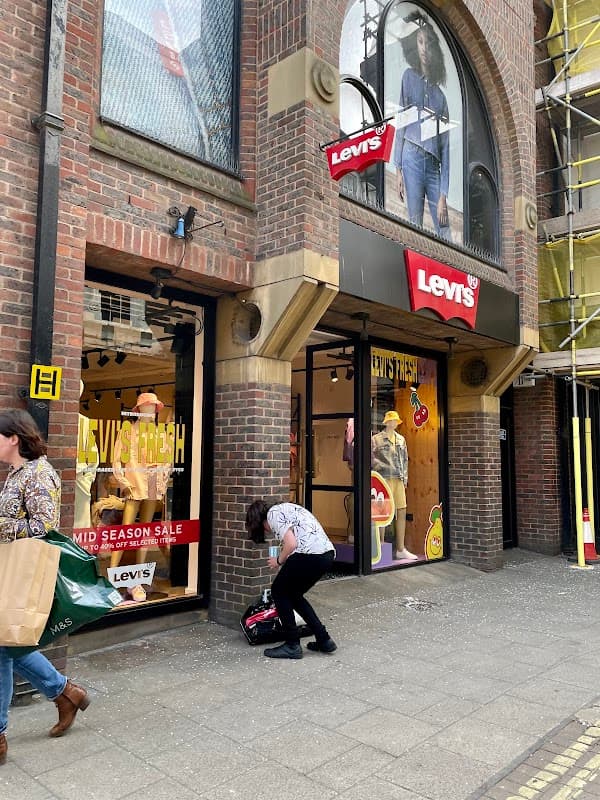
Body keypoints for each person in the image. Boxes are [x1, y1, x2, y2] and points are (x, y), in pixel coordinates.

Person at [0, 409, 90, 765]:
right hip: (10, 572)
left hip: (24, 574)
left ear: (13, 439)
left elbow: (44, 526)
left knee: (4, 647)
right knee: (9, 645)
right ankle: (66, 693)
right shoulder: (16, 473)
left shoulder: (39, 474)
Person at [245, 500, 337, 659]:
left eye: (263, 529)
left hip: (310, 554)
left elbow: (291, 544)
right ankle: (324, 639)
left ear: (260, 521)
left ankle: (292, 644)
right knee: (294, 595)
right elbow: (297, 541)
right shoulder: (287, 508)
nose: (267, 531)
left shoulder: (272, 514)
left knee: (278, 591)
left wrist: (278, 561)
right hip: (326, 555)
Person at [393, 13, 450, 237]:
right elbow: (400, 124)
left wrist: (444, 193)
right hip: (411, 158)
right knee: (414, 224)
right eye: (420, 42)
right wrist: (398, 168)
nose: (424, 48)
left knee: (444, 229)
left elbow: (446, 149)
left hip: (433, 166)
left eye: (428, 43)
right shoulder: (408, 78)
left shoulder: (441, 97)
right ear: (414, 45)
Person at [111, 392, 172, 601]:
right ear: (138, 410)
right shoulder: (128, 432)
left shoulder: (160, 435)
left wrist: (162, 479)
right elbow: (116, 460)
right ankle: (112, 577)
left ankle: (137, 579)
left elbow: (167, 461)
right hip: (134, 483)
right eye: (146, 407)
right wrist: (124, 483)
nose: (151, 411)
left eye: (153, 408)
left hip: (153, 483)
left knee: (144, 531)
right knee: (126, 532)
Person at [371, 410, 417, 561]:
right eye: (391, 420)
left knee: (401, 510)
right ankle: (381, 545)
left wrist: (405, 478)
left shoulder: (401, 439)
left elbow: (405, 460)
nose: (394, 423)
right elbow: (370, 460)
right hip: (383, 479)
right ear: (386, 422)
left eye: (396, 421)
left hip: (398, 479)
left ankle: (400, 548)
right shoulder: (376, 439)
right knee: (383, 512)